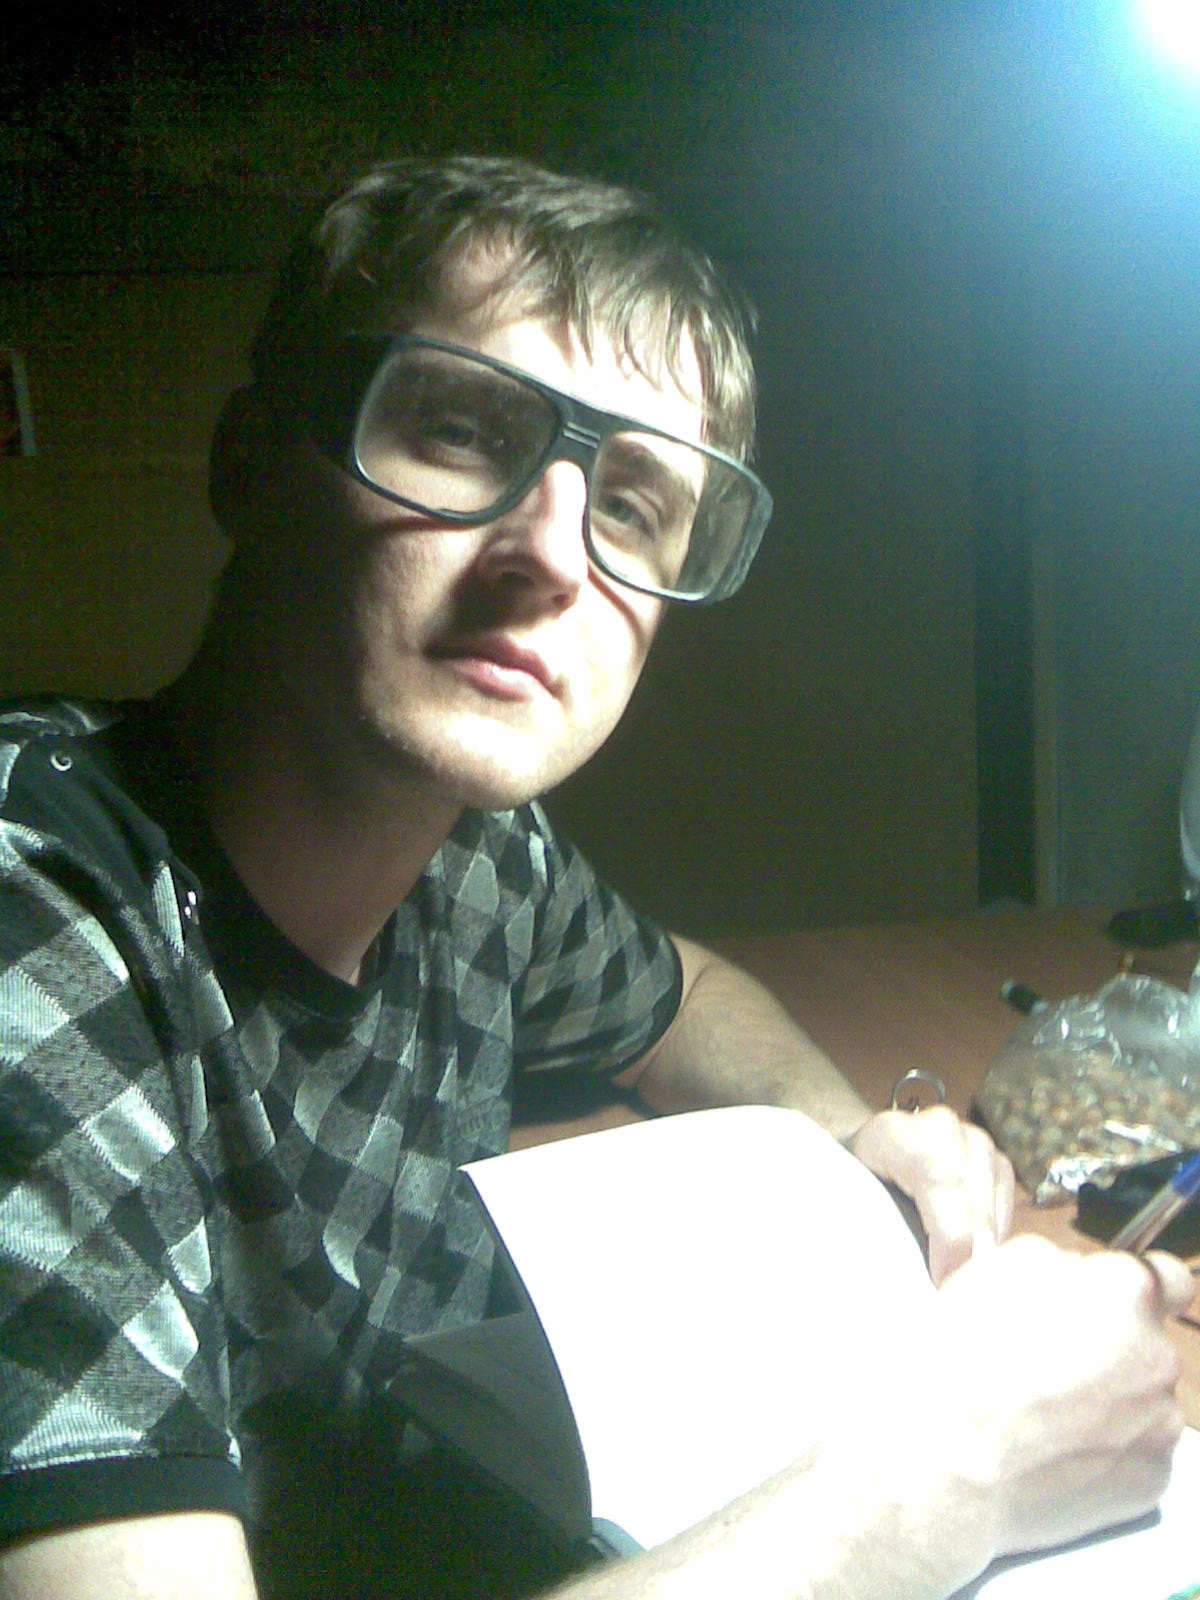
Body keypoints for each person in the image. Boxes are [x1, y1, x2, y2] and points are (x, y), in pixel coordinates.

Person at [0, 153, 1191, 1600]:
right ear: (251, 463)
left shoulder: (475, 857)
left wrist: (854, 1135)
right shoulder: (36, 925)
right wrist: (962, 1477)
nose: (554, 556)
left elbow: (684, 996)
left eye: (631, 504)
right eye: (459, 431)